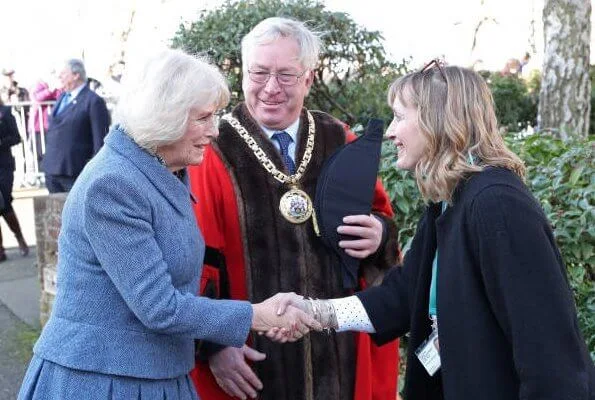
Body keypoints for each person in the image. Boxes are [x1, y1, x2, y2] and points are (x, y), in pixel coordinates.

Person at [274, 62, 595, 400]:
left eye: (400, 117)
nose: (390, 132)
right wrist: (315, 312)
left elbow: (548, 353)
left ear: (437, 120)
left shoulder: (497, 204)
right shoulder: (452, 199)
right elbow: (402, 295)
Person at [17, 49, 320, 400]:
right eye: (204, 118)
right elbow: (160, 307)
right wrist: (258, 316)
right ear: (166, 117)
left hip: (152, 374)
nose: (214, 130)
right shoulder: (113, 184)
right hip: (104, 380)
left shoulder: (160, 168)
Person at [188, 17, 400, 400]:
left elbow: (380, 219)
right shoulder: (212, 148)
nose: (271, 88)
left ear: (308, 79)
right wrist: (216, 345)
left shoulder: (340, 138)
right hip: (250, 356)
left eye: (286, 75)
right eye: (259, 73)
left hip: (339, 350)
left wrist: (378, 235)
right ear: (242, 74)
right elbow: (196, 258)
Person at [42, 59, 110, 193]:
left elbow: (99, 140)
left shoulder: (93, 101)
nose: (59, 77)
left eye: (63, 73)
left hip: (75, 170)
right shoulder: (62, 98)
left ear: (76, 75)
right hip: (53, 169)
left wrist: (95, 169)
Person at [0, 100, 29, 260]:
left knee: (4, 202)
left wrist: (1, 142)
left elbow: (16, 137)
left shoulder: (5, 111)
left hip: (3, 165)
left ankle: (19, 237)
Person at [28, 78, 61, 164]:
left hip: (52, 127)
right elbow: (37, 98)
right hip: (38, 128)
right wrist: (50, 90)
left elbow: (60, 97)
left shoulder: (59, 87)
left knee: (51, 154)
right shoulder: (38, 85)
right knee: (39, 153)